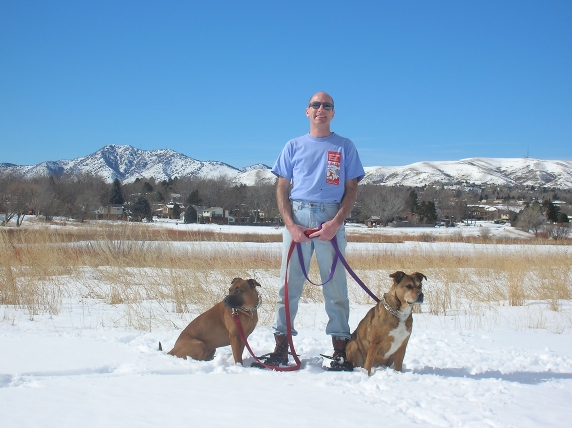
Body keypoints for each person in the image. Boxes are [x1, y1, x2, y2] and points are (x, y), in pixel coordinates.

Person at [260, 91, 365, 371]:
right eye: (315, 105)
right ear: (307, 111)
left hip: (330, 216)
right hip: (298, 216)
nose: (321, 109)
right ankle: (281, 346)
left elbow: (352, 188)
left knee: (336, 287)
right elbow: (282, 186)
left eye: (327, 106)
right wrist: (290, 225)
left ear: (333, 113)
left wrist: (336, 223)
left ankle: (341, 349)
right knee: (288, 285)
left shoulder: (345, 147)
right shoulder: (293, 145)